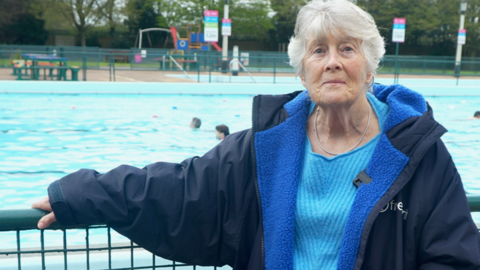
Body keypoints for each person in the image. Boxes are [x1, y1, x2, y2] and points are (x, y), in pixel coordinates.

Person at [32, 0, 480, 269]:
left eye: (348, 49)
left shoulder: (415, 151)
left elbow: (453, 254)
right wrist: (82, 195)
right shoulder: (267, 145)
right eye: (318, 51)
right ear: (302, 69)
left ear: (371, 65)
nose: (332, 62)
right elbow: (179, 189)